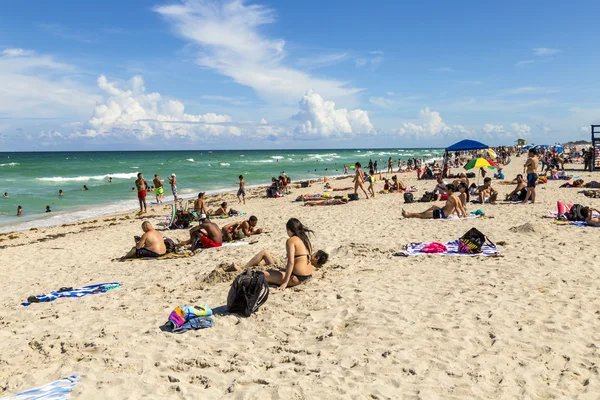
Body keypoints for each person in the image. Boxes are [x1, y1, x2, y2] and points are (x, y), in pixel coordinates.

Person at [259, 218, 319, 290]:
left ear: (289, 229)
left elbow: (291, 262)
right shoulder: (305, 239)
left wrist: (285, 282)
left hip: (297, 277)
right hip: (308, 275)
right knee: (274, 272)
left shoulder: (291, 240)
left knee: (262, 275)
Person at [233, 248, 329, 275]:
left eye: (314, 254)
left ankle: (242, 268)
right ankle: (254, 264)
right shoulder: (311, 268)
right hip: (280, 268)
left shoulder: (306, 262)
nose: (312, 254)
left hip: (278, 270)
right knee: (263, 261)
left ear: (316, 258)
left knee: (264, 252)